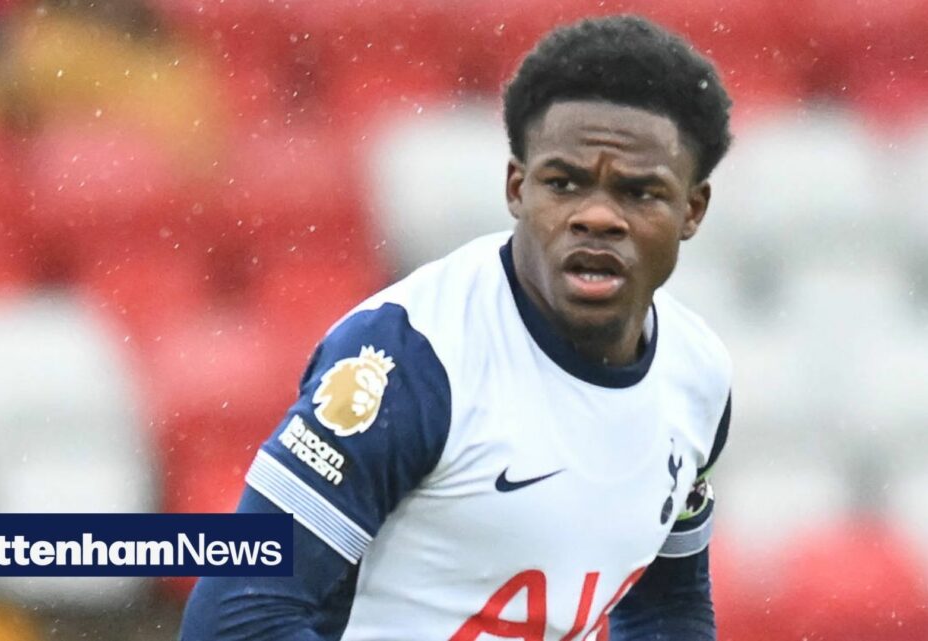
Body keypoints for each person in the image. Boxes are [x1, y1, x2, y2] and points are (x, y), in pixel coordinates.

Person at [181, 14, 733, 641]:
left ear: (692, 210)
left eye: (639, 193)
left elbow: (666, 611)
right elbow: (235, 619)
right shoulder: (409, 358)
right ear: (517, 189)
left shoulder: (698, 374)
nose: (598, 216)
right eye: (564, 184)